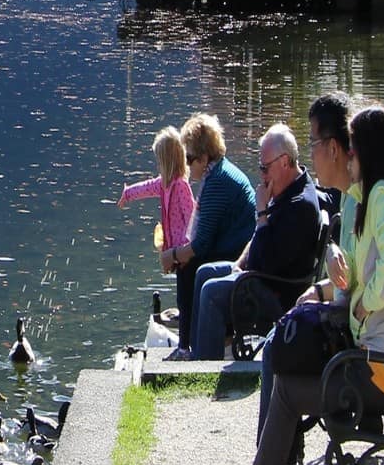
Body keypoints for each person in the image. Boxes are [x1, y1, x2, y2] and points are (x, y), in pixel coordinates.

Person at [211, 97, 384, 465]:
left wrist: (361, 305)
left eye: (354, 148)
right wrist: (332, 291)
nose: (348, 155)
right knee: (280, 349)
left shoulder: (379, 197)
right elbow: (368, 274)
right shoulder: (372, 198)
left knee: (285, 379)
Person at [189, 122, 326, 363]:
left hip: (278, 291)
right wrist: (239, 263)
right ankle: (196, 354)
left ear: (284, 162)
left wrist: (261, 212)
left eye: (265, 168)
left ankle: (205, 368)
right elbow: (258, 240)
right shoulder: (284, 189)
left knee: (212, 292)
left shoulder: (299, 204)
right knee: (203, 272)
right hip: (260, 273)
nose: (262, 175)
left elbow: (269, 261)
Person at [171, 113, 256, 357]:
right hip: (235, 246)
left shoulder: (218, 181)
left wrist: (175, 255)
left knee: (186, 267)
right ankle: (190, 343)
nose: (187, 166)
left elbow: (202, 243)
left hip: (237, 253)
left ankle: (186, 346)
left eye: (190, 159)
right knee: (185, 261)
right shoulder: (219, 173)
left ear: (205, 157)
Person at [119, 127, 195, 328]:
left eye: (159, 160)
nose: (157, 165)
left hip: (184, 253)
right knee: (182, 292)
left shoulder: (180, 186)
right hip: (174, 253)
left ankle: (187, 336)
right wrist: (128, 193)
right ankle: (185, 328)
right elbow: (146, 187)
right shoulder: (164, 183)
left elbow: (192, 217)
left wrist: (189, 247)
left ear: (168, 160)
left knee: (186, 295)